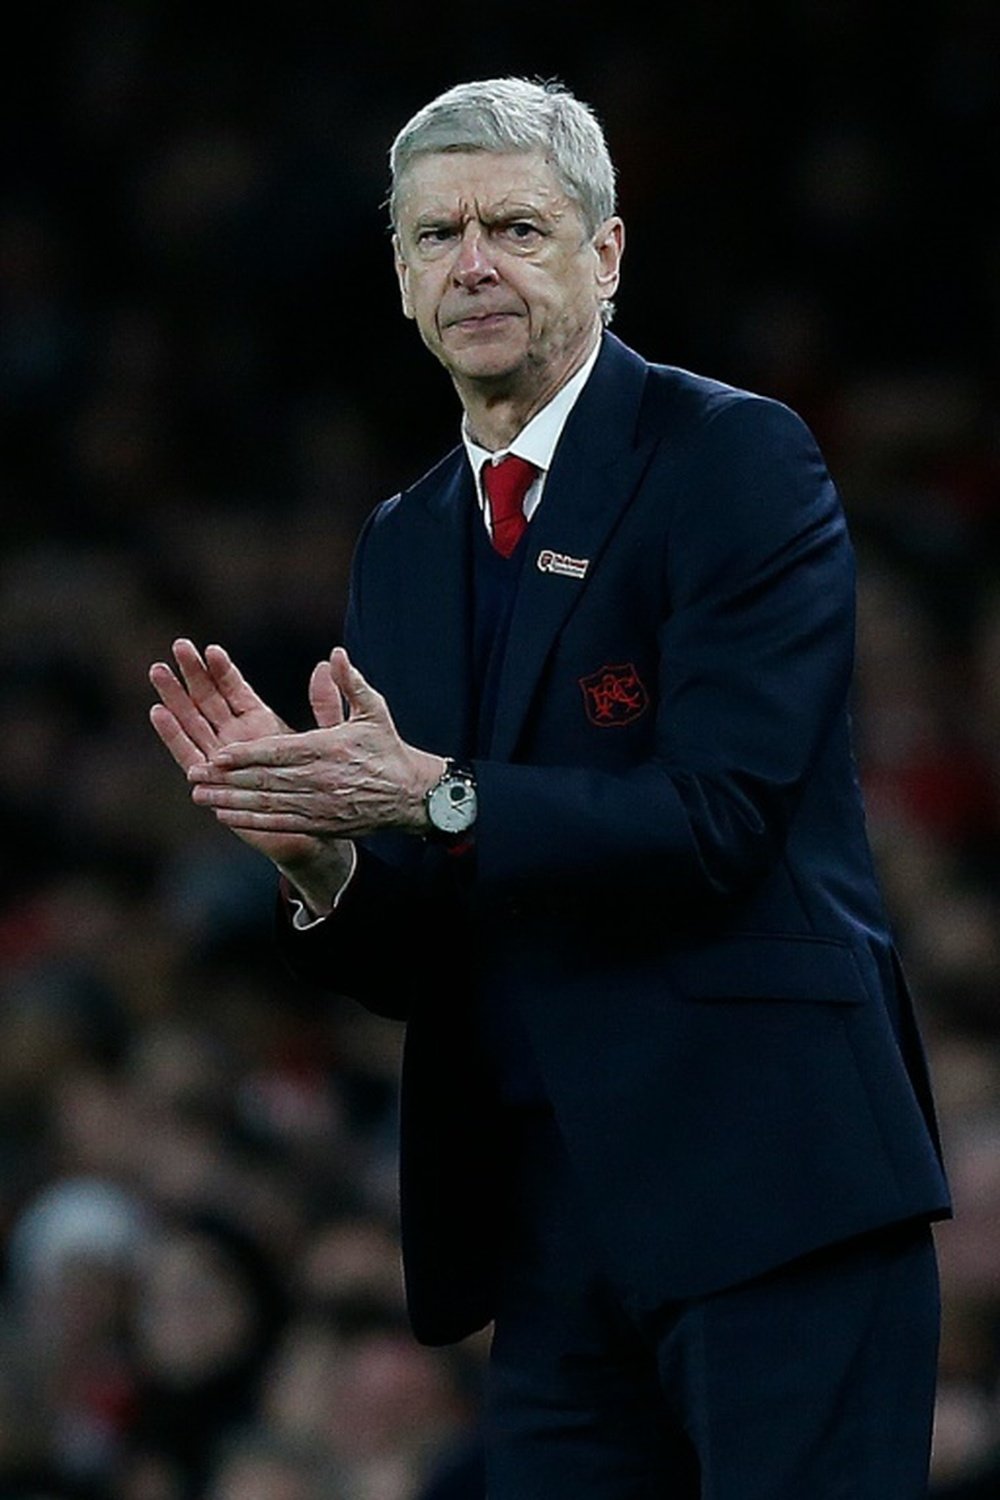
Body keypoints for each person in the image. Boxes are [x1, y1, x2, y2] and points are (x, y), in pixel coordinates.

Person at [149, 76, 952, 1499]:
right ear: (398, 276)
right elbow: (437, 936)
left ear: (609, 253)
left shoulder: (732, 458)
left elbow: (719, 821)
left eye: (517, 227)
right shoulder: (401, 545)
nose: (474, 265)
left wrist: (432, 793)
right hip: (545, 1231)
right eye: (436, 234)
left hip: (771, 1188)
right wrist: (327, 867)